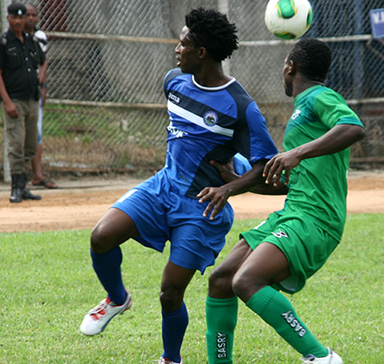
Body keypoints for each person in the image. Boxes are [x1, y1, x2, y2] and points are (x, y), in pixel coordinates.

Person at [78, 8, 278, 364]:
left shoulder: (241, 106)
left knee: (170, 293)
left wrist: (228, 187)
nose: (176, 48)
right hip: (163, 187)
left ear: (201, 52)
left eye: (183, 42)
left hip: (202, 209)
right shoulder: (173, 80)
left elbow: (266, 167)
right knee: (101, 235)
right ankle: (116, 298)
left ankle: (171, 359)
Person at [198, 38, 366, 364]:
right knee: (221, 280)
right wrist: (233, 183)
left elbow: (354, 127)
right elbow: (288, 182)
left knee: (247, 280)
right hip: (291, 214)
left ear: (290, 67)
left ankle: (321, 358)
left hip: (315, 220)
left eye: (284, 64)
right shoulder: (302, 111)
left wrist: (296, 152)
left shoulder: (320, 96)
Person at [0, 2, 45, 203]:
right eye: (15, 18)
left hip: (32, 99)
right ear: (9, 19)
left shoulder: (30, 41)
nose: (19, 21)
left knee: (30, 145)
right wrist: (7, 101)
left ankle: (24, 187)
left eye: (22, 18)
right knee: (16, 144)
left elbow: (42, 60)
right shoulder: (2, 43)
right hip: (15, 101)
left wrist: (42, 84)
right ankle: (16, 187)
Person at [25, 4, 58, 190]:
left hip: (35, 91)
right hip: (19, 91)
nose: (30, 18)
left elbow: (43, 62)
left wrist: (43, 86)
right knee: (20, 135)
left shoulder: (39, 38)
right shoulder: (14, 38)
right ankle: (19, 178)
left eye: (33, 15)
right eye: (26, 15)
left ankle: (37, 175)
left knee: (36, 133)